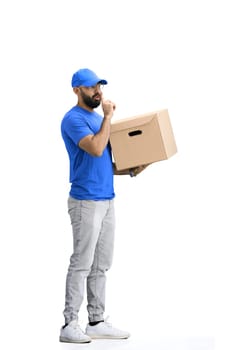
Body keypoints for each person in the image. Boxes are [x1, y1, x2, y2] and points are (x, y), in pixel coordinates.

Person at [59, 68, 146, 343]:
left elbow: (104, 162)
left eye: (99, 86)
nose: (97, 92)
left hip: (107, 199)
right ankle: (69, 324)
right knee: (82, 262)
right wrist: (109, 117)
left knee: (101, 264)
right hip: (85, 201)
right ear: (76, 90)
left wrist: (130, 169)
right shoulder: (73, 120)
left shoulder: (98, 119)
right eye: (90, 87)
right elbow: (95, 148)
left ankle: (95, 321)